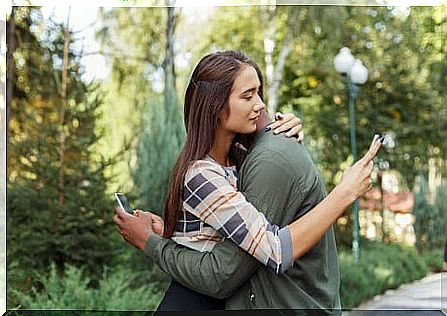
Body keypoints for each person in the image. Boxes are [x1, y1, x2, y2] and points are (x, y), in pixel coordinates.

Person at [114, 50, 382, 312]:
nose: (260, 104)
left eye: (258, 92)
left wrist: (169, 232)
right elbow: (275, 250)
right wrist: (345, 193)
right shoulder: (201, 174)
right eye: (248, 95)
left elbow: (213, 232)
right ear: (216, 107)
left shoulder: (239, 159)